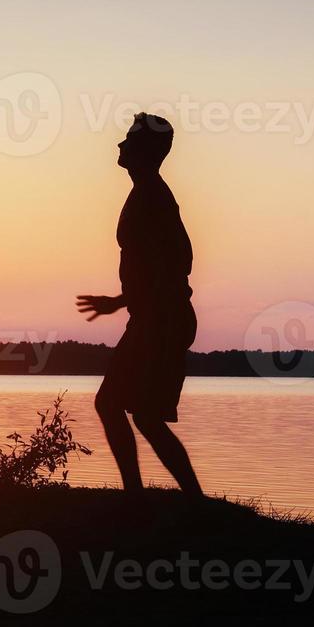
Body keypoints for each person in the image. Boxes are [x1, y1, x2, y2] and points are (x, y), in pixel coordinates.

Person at [76, 112, 203, 497]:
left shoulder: (153, 195)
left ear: (145, 149)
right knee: (144, 416)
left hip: (162, 320)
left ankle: (137, 494)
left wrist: (124, 301)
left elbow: (179, 260)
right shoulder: (146, 192)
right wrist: (123, 301)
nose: (120, 144)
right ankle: (180, 498)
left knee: (112, 403)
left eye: (128, 139)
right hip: (156, 317)